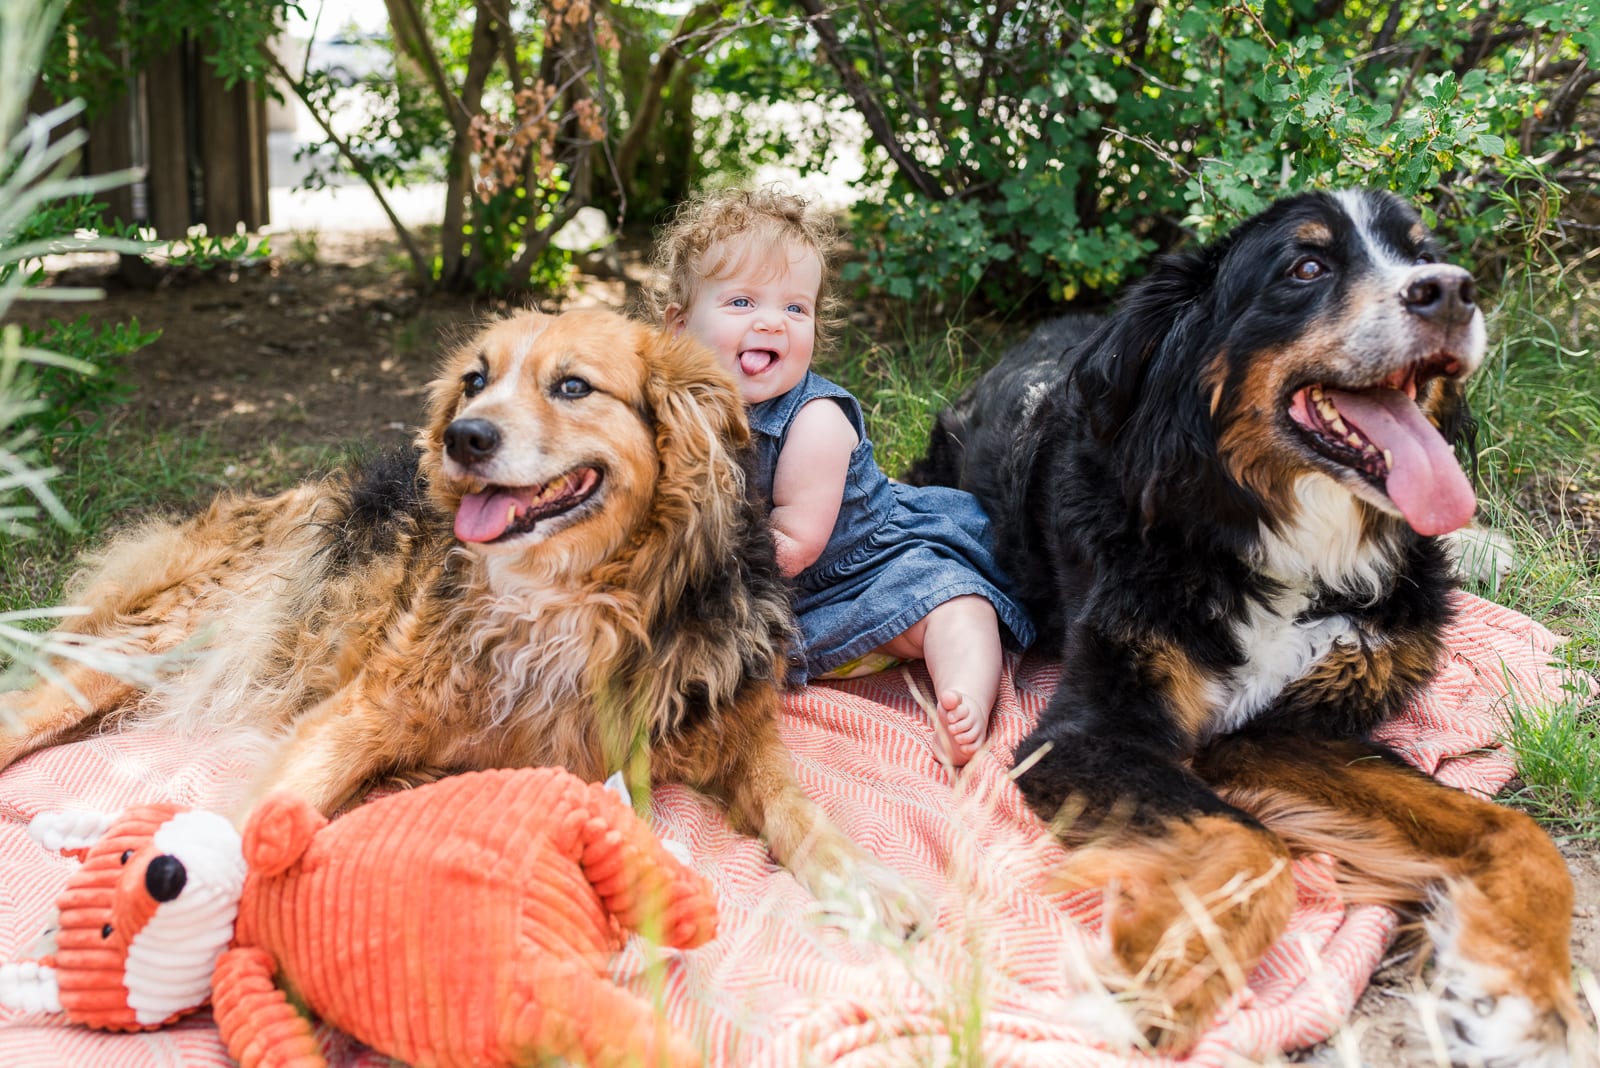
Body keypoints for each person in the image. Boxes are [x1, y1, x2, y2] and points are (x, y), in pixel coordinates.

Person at [650, 185, 1034, 767]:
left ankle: (966, 703)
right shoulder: (678, 409)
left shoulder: (816, 421)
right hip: (773, 592)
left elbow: (798, 541)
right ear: (678, 327)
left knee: (951, 605)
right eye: (742, 303)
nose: (773, 324)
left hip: (866, 562)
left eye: (794, 308)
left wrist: (699, 581)